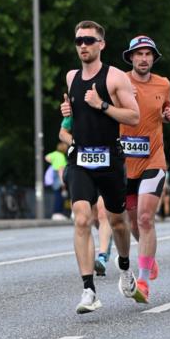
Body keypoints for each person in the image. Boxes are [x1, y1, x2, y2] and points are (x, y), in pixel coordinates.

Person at [60, 20, 144, 313]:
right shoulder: (71, 77)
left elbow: (134, 117)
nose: (83, 45)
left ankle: (125, 269)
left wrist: (102, 105)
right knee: (82, 219)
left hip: (110, 159)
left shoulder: (115, 78)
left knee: (118, 221)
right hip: (80, 158)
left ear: (101, 44)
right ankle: (88, 290)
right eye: (79, 41)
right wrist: (68, 112)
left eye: (89, 40)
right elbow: (74, 117)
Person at [119, 34, 170, 302]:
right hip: (124, 163)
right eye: (139, 54)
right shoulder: (117, 81)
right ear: (131, 57)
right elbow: (100, 110)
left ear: (154, 58)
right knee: (132, 221)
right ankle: (148, 256)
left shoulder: (164, 83)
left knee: (145, 218)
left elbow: (165, 110)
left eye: (148, 54)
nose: (143, 59)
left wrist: (169, 115)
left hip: (154, 158)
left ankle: (142, 281)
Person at [60, 115, 112, 273]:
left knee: (102, 212)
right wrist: (76, 142)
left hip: (106, 163)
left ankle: (102, 256)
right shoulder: (74, 105)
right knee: (94, 216)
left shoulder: (109, 103)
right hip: (83, 168)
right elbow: (63, 133)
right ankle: (106, 238)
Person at [45, 142, 69, 220]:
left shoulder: (55, 154)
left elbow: (46, 157)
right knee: (60, 196)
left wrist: (53, 162)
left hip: (54, 176)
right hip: (59, 177)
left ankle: (57, 213)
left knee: (57, 194)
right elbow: (61, 170)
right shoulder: (61, 156)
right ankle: (58, 213)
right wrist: (63, 182)